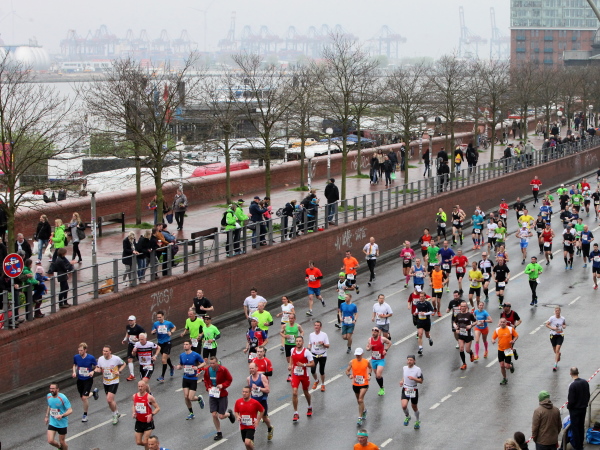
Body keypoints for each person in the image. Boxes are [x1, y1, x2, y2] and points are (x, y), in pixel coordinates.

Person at [203, 357, 236, 441]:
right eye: (210, 363)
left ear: (217, 363)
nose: (212, 365)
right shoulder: (207, 370)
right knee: (214, 414)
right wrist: (208, 388)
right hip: (213, 394)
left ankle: (229, 414)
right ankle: (219, 432)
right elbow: (206, 380)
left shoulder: (223, 370)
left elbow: (229, 379)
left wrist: (223, 385)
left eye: (213, 363)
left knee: (221, 416)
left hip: (222, 395)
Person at [94, 345, 126, 424]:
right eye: (103, 351)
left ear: (110, 351)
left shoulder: (115, 359)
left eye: (106, 351)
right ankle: (117, 412)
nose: (104, 352)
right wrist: (96, 370)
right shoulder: (100, 359)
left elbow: (124, 364)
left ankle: (114, 415)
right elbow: (99, 368)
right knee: (111, 401)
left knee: (109, 399)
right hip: (106, 382)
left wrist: (119, 371)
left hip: (114, 381)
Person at [175, 339, 206, 420]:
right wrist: (179, 367)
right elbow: (181, 364)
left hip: (193, 378)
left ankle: (199, 398)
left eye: (186, 344)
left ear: (190, 345)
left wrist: (198, 367)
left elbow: (204, 363)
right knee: (186, 397)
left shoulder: (195, 355)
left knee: (190, 398)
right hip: (185, 377)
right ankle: (191, 413)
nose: (185, 346)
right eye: (184, 344)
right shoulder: (182, 355)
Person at [289, 336, 314, 423]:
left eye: (300, 341)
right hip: (295, 375)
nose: (298, 342)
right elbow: (291, 358)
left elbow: (312, 364)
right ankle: (295, 413)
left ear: (303, 342)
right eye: (297, 341)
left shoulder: (306, 352)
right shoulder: (292, 350)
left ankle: (309, 406)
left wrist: (304, 365)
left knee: (305, 392)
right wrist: (290, 365)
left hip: (304, 375)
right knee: (294, 392)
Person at [72, 343, 98, 422]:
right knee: (82, 398)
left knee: (84, 397)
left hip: (88, 379)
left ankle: (85, 415)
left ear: (85, 350)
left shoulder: (91, 358)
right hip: (80, 380)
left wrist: (93, 371)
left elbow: (97, 367)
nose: (80, 352)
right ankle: (93, 393)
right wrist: (74, 372)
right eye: (79, 350)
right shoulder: (76, 357)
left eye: (81, 350)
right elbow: (74, 365)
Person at [246, 364, 273, 441]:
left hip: (262, 401)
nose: (251, 370)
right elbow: (250, 390)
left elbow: (267, 390)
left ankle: (270, 428)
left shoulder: (262, 377)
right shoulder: (248, 378)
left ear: (257, 368)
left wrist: (258, 388)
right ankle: (251, 437)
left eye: (253, 368)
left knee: (264, 418)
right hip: (253, 401)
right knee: (251, 418)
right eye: (250, 368)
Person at [346, 347, 371, 426]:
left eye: (359, 355)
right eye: (356, 355)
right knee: (359, 400)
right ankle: (364, 410)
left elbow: (370, 368)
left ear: (362, 354)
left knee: (360, 399)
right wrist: (349, 375)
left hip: (364, 383)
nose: (358, 356)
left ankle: (359, 418)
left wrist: (369, 375)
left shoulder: (366, 361)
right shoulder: (352, 362)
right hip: (356, 384)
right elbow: (347, 371)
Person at [132, 380, 160, 449]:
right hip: (139, 421)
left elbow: (157, 408)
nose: (140, 388)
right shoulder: (134, 396)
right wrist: (134, 412)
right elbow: (134, 405)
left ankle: (150, 447)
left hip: (148, 422)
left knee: (145, 442)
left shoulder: (149, 397)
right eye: (139, 386)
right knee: (138, 442)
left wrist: (151, 414)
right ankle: (152, 447)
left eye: (141, 386)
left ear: (145, 387)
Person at [567, 367, 591, 450]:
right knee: (581, 426)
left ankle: (578, 446)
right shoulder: (585, 382)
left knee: (575, 428)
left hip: (575, 410)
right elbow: (588, 395)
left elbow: (571, 400)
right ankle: (581, 442)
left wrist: (569, 407)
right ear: (578, 372)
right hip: (583, 408)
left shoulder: (572, 385)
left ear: (570, 373)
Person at [46, 382, 72, 450]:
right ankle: (59, 447)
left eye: (53, 389)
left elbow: (70, 410)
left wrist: (62, 415)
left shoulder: (63, 398)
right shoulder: (48, 396)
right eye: (50, 388)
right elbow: (49, 405)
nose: (51, 390)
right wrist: (46, 416)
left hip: (62, 423)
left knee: (62, 442)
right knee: (50, 441)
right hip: (53, 422)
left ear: (57, 389)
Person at [151, 311, 176, 382]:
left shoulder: (168, 323)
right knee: (166, 357)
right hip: (160, 343)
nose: (159, 318)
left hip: (167, 342)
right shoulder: (156, 324)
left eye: (160, 317)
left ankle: (162, 376)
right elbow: (152, 331)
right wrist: (153, 332)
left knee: (163, 360)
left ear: (163, 316)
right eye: (157, 317)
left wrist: (171, 332)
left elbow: (174, 327)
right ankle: (172, 367)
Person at [492, 318, 519, 385]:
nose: (502, 323)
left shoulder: (510, 329)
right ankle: (504, 378)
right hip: (500, 350)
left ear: (506, 323)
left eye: (504, 322)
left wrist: (513, 340)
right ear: (499, 323)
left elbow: (516, 336)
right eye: (501, 322)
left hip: (508, 350)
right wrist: (493, 340)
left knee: (507, 366)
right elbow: (493, 337)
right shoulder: (497, 330)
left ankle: (511, 366)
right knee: (502, 366)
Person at [400, 355, 423, 430]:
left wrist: (413, 378)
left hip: (413, 389)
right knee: (404, 406)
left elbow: (421, 381)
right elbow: (404, 376)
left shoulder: (417, 369)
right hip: (405, 388)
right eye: (408, 360)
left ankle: (417, 421)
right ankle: (407, 416)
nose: (409, 361)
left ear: (414, 361)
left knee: (414, 407)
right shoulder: (404, 368)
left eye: (411, 360)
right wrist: (402, 381)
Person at [366, 327, 391, 396]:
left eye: (375, 332)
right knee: (377, 376)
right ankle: (381, 387)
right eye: (372, 332)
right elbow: (367, 348)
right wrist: (369, 348)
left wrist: (385, 350)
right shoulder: (370, 340)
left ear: (378, 333)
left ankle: (382, 389)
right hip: (374, 360)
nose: (373, 333)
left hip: (381, 360)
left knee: (378, 374)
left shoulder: (382, 339)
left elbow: (389, 343)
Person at [281, 313, 304, 382]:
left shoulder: (298, 326)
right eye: (289, 318)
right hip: (287, 344)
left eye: (292, 318)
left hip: (295, 344)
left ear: (294, 319)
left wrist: (300, 337)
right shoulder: (285, 326)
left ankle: (290, 375)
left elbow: (302, 332)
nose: (290, 320)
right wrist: (284, 336)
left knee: (292, 359)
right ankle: (294, 369)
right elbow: (281, 332)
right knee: (288, 360)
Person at [308, 321, 329, 392]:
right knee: (312, 370)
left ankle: (323, 384)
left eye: (318, 325)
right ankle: (316, 380)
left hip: (322, 355)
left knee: (321, 371)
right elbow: (310, 344)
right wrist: (308, 348)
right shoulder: (311, 335)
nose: (316, 327)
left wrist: (323, 344)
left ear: (320, 327)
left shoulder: (324, 335)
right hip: (314, 355)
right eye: (315, 325)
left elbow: (328, 346)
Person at [122, 315, 145, 381]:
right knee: (129, 359)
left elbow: (144, 335)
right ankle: (132, 375)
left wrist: (138, 339)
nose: (130, 322)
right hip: (131, 344)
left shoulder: (139, 328)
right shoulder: (128, 327)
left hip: (138, 345)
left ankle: (145, 372)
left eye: (131, 320)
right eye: (129, 320)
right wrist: (125, 339)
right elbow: (127, 333)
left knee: (141, 360)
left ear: (135, 321)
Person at [545, 307, 566, 372]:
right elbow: (547, 324)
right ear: (555, 312)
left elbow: (564, 324)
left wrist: (564, 326)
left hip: (560, 335)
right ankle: (558, 354)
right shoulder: (552, 318)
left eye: (558, 311)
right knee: (555, 351)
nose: (557, 312)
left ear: (560, 311)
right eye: (556, 311)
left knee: (557, 349)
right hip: (553, 335)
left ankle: (555, 365)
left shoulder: (562, 318)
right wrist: (553, 328)